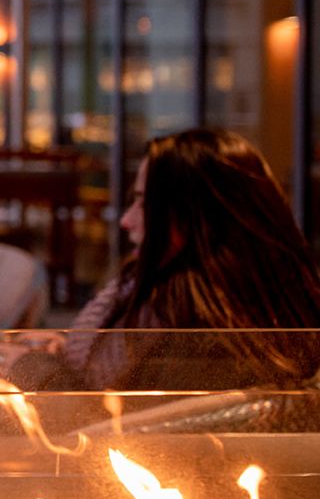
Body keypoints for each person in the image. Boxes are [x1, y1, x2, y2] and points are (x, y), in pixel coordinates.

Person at [65, 129, 320, 390]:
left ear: (197, 217)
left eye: (144, 203)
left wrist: (44, 364)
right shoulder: (264, 312)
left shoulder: (195, 339)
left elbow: (109, 407)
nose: (126, 221)